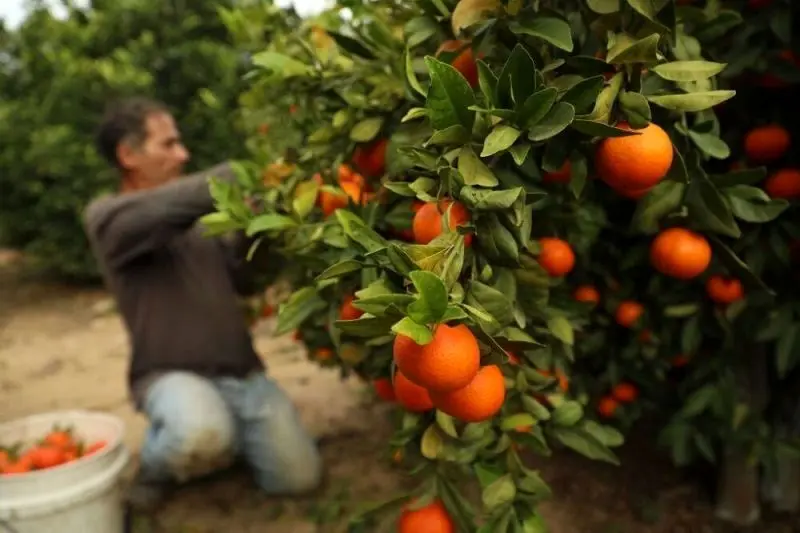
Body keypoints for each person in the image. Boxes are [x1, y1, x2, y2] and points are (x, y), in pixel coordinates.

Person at [83, 97, 322, 510]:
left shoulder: (201, 222)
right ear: (128, 155)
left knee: (298, 478)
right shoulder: (110, 218)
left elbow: (244, 281)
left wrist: (260, 226)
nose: (184, 154)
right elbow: (172, 205)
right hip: (168, 376)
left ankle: (228, 442)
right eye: (168, 144)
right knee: (198, 432)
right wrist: (247, 176)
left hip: (242, 375)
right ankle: (156, 470)